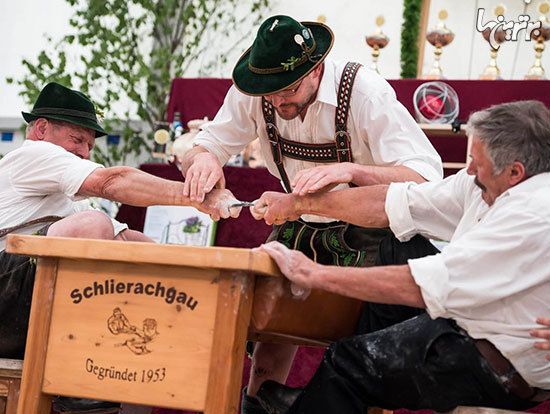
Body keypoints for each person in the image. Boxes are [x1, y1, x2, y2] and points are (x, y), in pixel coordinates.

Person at [181, 15, 443, 411]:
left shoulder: (364, 92)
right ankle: (258, 403)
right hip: (299, 222)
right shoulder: (259, 87)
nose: (277, 102)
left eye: (288, 90)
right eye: (270, 94)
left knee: (363, 340)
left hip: (369, 230)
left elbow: (426, 177)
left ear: (316, 69)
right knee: (267, 315)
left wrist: (352, 171)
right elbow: (208, 143)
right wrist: (202, 160)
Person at [249, 100, 550, 413]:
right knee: (396, 246)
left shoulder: (530, 213)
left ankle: (334, 386)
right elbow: (394, 203)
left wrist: (313, 273)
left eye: (477, 163)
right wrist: (298, 205)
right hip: (475, 315)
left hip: (499, 358)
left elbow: (425, 285)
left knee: (349, 361)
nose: (469, 170)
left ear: (515, 172)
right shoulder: (483, 184)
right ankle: (330, 392)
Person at [0, 82, 241, 413]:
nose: (85, 152)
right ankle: (81, 375)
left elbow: (128, 241)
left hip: (21, 305)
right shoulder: (33, 154)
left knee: (120, 249)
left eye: (89, 145)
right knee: (92, 228)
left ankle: (96, 378)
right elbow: (111, 183)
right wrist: (198, 196)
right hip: (6, 297)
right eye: (77, 139)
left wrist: (201, 280)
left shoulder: (67, 192)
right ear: (41, 129)